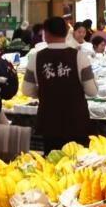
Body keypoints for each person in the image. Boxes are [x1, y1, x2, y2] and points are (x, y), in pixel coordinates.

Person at [22, 17, 97, 152]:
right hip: (76, 120)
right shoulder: (80, 56)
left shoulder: (36, 58)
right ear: (67, 32)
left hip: (49, 120)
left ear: (46, 33)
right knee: (78, 160)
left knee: (52, 160)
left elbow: (27, 90)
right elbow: (92, 91)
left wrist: (43, 92)